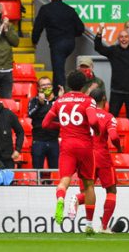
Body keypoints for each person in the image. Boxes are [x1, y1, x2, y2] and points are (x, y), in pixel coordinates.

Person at [42, 70, 100, 233]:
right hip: (84, 146)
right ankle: (88, 225)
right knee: (89, 185)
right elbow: (94, 120)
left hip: (67, 145)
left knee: (64, 180)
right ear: (84, 85)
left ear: (69, 84)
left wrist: (61, 125)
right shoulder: (88, 100)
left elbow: (46, 123)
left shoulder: (60, 101)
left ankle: (61, 198)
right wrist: (96, 130)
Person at [67, 87, 121, 233]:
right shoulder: (109, 117)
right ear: (104, 99)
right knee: (111, 190)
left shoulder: (83, 115)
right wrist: (119, 147)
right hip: (102, 158)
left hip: (85, 157)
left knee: (87, 192)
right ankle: (104, 226)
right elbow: (114, 136)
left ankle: (77, 198)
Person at [32, 0, 85, 89]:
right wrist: (71, 35)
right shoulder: (70, 10)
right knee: (58, 68)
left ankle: (60, 95)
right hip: (70, 44)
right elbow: (80, 28)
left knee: (58, 71)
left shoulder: (45, 9)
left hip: (57, 44)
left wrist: (34, 41)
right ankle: (58, 92)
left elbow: (38, 27)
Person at [27, 77, 60, 170]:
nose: (46, 87)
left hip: (54, 141)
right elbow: (30, 114)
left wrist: (61, 99)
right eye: (43, 85)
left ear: (52, 86)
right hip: (38, 141)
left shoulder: (58, 101)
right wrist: (39, 104)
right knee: (37, 171)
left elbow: (60, 117)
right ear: (38, 88)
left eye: (48, 85)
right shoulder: (34, 100)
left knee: (55, 171)